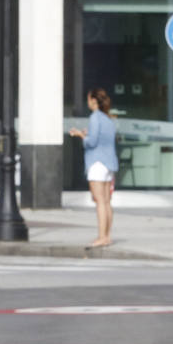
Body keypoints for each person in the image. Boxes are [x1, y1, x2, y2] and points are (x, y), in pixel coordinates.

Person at [68, 87, 118, 248]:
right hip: (109, 163)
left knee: (100, 202)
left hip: (97, 163)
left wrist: (80, 135)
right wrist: (88, 133)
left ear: (93, 101)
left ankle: (102, 236)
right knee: (107, 201)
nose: (87, 102)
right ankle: (107, 236)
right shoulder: (108, 119)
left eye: (89, 99)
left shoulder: (95, 117)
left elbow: (92, 142)